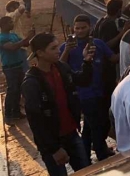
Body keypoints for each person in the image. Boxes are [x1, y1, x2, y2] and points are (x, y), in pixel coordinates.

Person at [22, 33, 94, 176]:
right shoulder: (32, 83)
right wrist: (54, 149)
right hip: (51, 143)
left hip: (72, 135)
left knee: (87, 172)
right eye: (53, 48)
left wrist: (87, 61)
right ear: (40, 53)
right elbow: (36, 121)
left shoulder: (61, 68)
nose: (58, 50)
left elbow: (83, 81)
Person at [59, 15, 118, 162]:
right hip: (81, 93)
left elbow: (112, 58)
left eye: (83, 28)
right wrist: (66, 51)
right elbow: (60, 66)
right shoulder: (66, 47)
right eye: (77, 28)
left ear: (90, 27)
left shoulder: (98, 43)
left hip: (98, 90)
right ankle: (101, 154)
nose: (79, 31)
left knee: (89, 127)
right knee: (97, 126)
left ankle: (85, 156)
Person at [0, 16, 34, 125]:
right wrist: (26, 38)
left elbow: (25, 44)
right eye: (10, 22)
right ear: (3, 25)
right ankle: (8, 115)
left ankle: (16, 112)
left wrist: (30, 37)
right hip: (10, 67)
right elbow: (12, 47)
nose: (12, 23)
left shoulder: (13, 35)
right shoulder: (2, 38)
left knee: (18, 90)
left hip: (19, 65)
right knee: (12, 91)